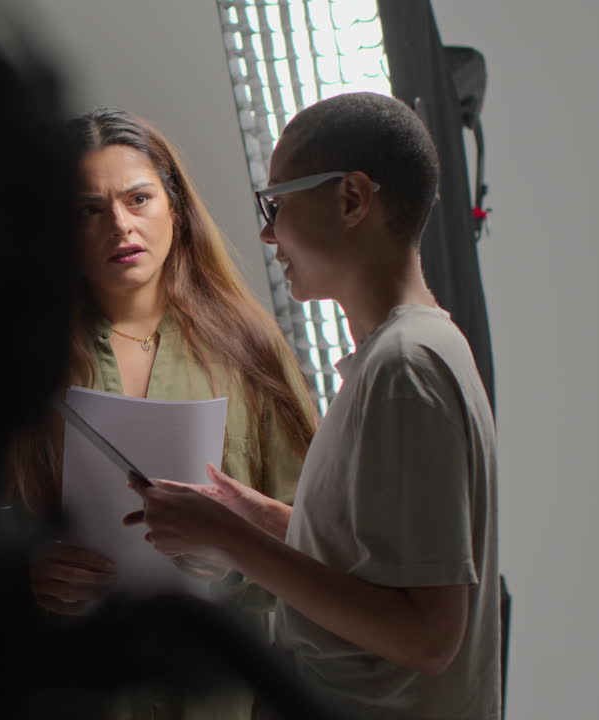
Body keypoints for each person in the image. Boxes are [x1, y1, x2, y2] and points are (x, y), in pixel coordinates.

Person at [131, 92, 500, 719]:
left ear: (352, 199)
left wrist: (230, 539)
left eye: (276, 204)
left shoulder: (406, 367)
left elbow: (428, 637)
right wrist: (257, 519)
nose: (267, 232)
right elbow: (373, 569)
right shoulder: (399, 356)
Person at [14, 108, 320, 719]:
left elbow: (315, 540)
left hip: (213, 697)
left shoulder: (249, 349)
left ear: (174, 207)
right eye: (88, 209)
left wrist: (232, 558)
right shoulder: (22, 363)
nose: (120, 226)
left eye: (138, 199)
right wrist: (28, 576)